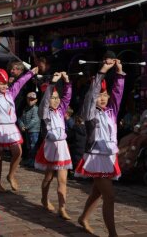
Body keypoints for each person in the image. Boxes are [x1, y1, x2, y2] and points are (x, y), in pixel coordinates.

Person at [75, 55, 125, 237]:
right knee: (109, 196)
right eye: (99, 96)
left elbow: (118, 94)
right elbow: (91, 96)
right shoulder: (90, 113)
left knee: (97, 193)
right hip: (96, 157)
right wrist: (103, 71)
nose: (102, 99)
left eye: (105, 95)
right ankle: (113, 234)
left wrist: (119, 73)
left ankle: (83, 218)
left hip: (109, 156)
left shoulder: (111, 112)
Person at [0, 66, 38, 192]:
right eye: (1, 83)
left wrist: (31, 73)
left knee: (18, 152)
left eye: (5, 83)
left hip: (11, 127)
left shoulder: (10, 93)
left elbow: (20, 82)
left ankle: (11, 175)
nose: (4, 86)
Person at [35, 72, 72, 220]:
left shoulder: (61, 110)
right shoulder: (45, 113)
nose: (56, 101)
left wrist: (67, 81)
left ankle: (62, 208)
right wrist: (52, 83)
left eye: (57, 98)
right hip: (50, 147)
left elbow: (67, 97)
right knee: (49, 177)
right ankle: (44, 198)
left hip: (62, 147)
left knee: (63, 180)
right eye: (53, 98)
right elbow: (44, 102)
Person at [19, 92, 41, 168]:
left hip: (34, 130)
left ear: (36, 100)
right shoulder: (25, 108)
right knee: (29, 146)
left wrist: (26, 127)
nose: (30, 101)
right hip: (27, 131)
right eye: (29, 99)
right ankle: (30, 160)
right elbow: (21, 118)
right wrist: (21, 125)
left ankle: (33, 161)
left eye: (32, 99)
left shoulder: (36, 109)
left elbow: (35, 120)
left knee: (33, 145)